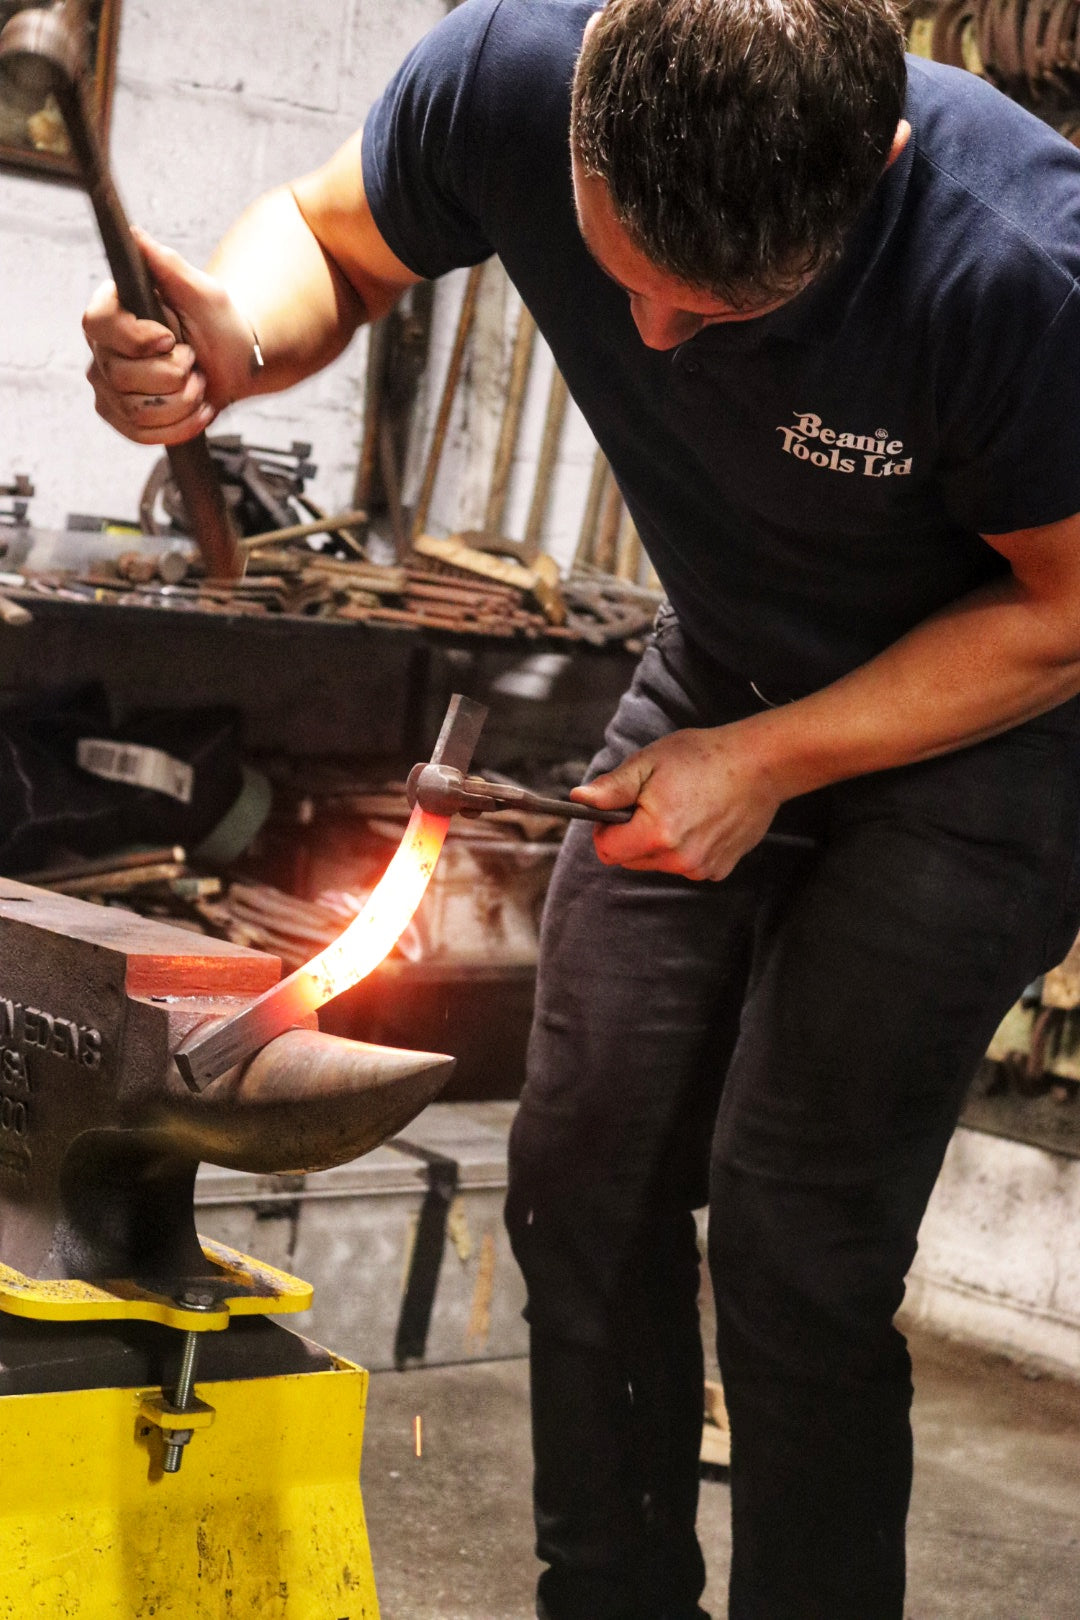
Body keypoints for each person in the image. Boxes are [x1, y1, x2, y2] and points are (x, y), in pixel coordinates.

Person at [83, 2, 1080, 1615]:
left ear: (878, 163)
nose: (663, 344)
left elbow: (1063, 612)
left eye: (720, 309)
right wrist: (235, 337)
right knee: (582, 1171)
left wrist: (767, 767)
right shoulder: (509, 75)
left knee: (790, 1238)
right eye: (628, 282)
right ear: (581, 112)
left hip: (990, 729)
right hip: (730, 662)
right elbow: (330, 246)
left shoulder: (1022, 266)